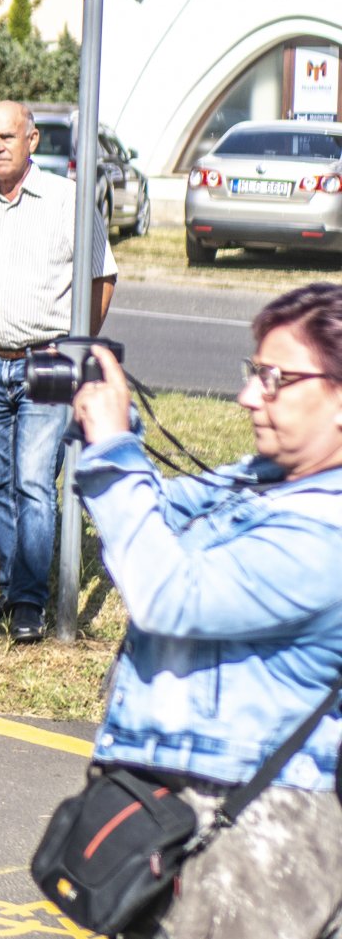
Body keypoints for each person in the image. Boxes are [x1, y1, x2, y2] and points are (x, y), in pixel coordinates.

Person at [68, 284, 342, 939]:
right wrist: (116, 433)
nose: (250, 396)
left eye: (276, 379)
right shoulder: (266, 479)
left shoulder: (328, 533)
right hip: (191, 805)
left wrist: (113, 456)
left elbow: (168, 593)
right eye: (253, 373)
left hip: (263, 833)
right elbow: (144, 517)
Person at [0, 100, 117, 644]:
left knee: (35, 482)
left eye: (7, 136)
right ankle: (15, 587)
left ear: (31, 139)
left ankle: (31, 601)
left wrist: (78, 344)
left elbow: (101, 278)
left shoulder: (68, 200)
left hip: (50, 360)